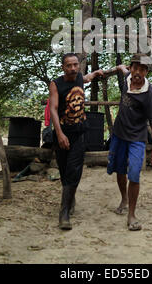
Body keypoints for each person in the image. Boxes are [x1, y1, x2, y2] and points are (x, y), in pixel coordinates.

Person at [49, 53, 103, 230]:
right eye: (68, 65)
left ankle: (63, 213)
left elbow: (87, 78)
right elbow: (53, 109)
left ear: (78, 65)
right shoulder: (56, 84)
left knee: (74, 170)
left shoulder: (79, 77)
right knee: (65, 172)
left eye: (75, 65)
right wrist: (59, 134)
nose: (72, 68)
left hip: (80, 132)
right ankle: (70, 199)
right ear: (63, 67)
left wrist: (97, 73)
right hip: (62, 134)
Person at [107, 53, 152, 231]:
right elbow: (122, 68)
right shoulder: (127, 76)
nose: (137, 72)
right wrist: (114, 69)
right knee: (119, 169)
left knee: (135, 172)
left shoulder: (148, 93)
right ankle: (124, 197)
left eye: (142, 69)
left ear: (146, 72)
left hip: (137, 137)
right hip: (119, 133)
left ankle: (131, 214)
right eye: (135, 68)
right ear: (131, 69)